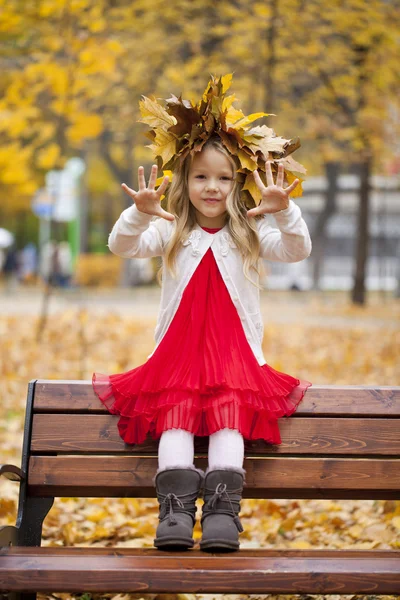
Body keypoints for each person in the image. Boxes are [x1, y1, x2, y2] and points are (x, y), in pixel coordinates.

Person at [92, 75, 312, 553]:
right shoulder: (173, 234)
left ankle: (221, 514)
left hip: (232, 355)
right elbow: (121, 245)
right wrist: (140, 213)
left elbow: (296, 251)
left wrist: (284, 212)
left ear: (240, 184)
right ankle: (173, 513)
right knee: (174, 424)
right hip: (179, 355)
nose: (212, 187)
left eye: (224, 177)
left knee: (229, 424)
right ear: (184, 181)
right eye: (201, 176)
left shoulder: (248, 236)